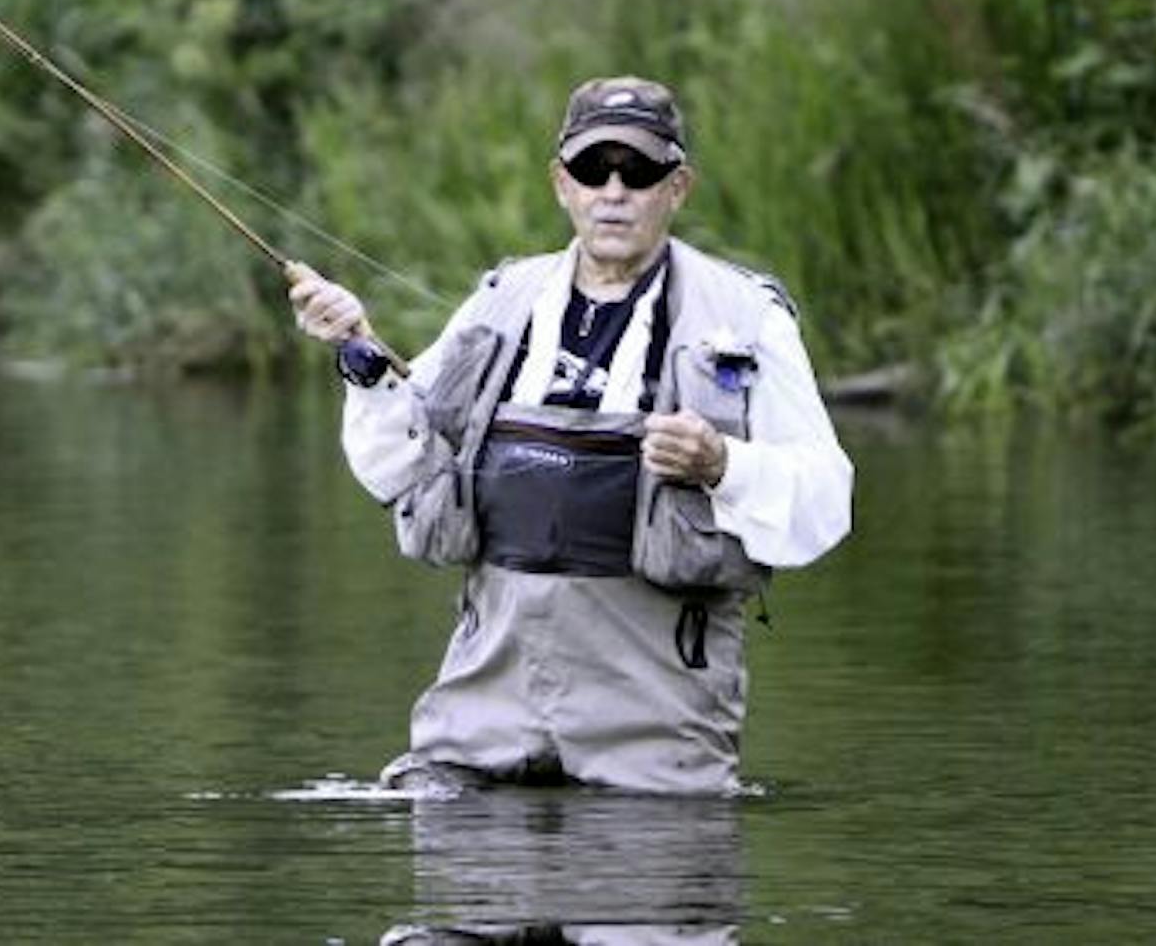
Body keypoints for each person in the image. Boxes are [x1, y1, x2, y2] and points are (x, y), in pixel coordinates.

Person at [288, 76, 853, 795]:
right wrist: (361, 357)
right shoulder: (500, 302)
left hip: (658, 724)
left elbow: (826, 502)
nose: (613, 191)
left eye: (638, 171)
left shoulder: (748, 318)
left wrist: (721, 465)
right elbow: (398, 468)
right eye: (593, 169)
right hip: (481, 708)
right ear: (562, 184)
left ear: (678, 188)